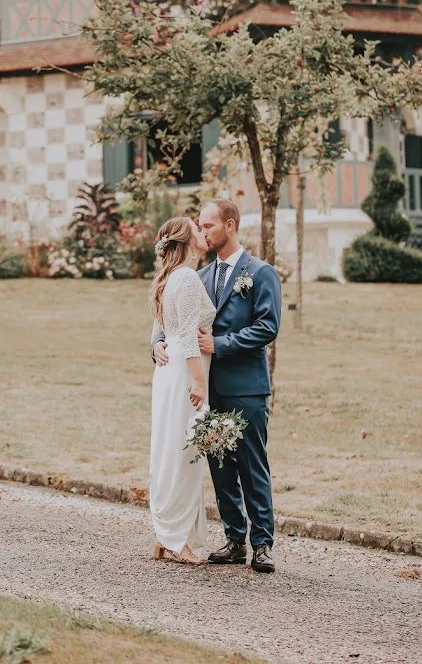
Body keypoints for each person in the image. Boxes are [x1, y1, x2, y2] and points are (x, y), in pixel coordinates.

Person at [154, 198, 281, 574]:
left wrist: (220, 344)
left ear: (229, 225)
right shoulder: (200, 275)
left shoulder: (260, 273)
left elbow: (267, 327)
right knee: (219, 466)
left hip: (246, 386)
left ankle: (262, 544)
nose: (203, 230)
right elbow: (172, 321)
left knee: (252, 465)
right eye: (200, 226)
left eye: (208, 225)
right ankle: (233, 538)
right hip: (207, 388)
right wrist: (156, 344)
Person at [149, 215, 216, 564]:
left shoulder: (169, 278)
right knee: (185, 453)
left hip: (168, 370)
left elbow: (167, 330)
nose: (202, 231)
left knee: (172, 447)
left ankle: (169, 534)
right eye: (196, 227)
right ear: (187, 239)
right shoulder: (187, 277)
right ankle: (176, 538)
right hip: (184, 372)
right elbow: (188, 336)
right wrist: (199, 381)